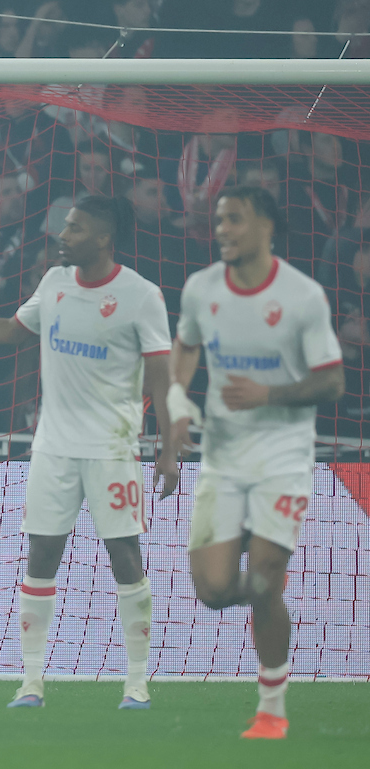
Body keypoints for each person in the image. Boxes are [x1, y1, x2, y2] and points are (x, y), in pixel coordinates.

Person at [0, 197, 178, 709]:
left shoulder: (141, 295)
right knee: (42, 555)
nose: (63, 235)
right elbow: (10, 331)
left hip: (112, 447)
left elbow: (162, 377)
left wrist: (168, 450)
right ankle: (32, 682)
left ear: (104, 238)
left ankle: (136, 682)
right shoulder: (55, 282)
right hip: (53, 446)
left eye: (75, 228)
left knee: (125, 555)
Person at [165, 187, 344, 740]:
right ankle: (257, 567)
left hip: (282, 457)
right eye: (220, 219)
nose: (222, 229)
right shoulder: (202, 288)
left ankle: (272, 709)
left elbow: (332, 380)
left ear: (265, 226)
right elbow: (186, 345)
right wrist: (177, 401)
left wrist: (268, 395)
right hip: (223, 458)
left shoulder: (302, 296)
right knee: (214, 591)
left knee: (265, 582)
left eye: (235, 219)